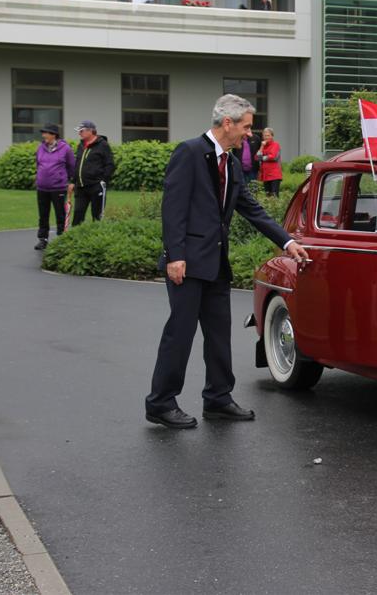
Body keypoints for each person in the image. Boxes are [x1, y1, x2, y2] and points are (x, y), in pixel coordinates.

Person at [145, 94, 308, 429]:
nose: (250, 133)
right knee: (181, 333)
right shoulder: (189, 153)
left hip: (216, 264)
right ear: (228, 123)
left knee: (219, 334)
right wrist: (175, 256)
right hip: (187, 264)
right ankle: (160, 403)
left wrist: (287, 241)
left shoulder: (232, 164)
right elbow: (173, 209)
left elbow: (250, 208)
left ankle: (218, 399)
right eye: (247, 126)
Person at [33, 123, 75, 250]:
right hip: (42, 188)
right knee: (43, 215)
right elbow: (38, 163)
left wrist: (70, 180)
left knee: (60, 214)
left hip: (58, 187)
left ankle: (62, 239)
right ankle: (43, 239)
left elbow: (71, 166)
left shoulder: (65, 149)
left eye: (46, 133)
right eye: (43, 133)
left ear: (54, 135)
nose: (43, 135)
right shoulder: (40, 148)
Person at [71, 120, 114, 225]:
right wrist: (73, 181)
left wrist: (103, 181)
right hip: (81, 187)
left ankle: (97, 239)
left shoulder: (103, 145)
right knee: (77, 215)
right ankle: (76, 240)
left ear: (90, 131)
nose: (79, 133)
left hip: (96, 186)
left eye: (81, 131)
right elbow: (77, 164)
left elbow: (110, 165)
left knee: (97, 216)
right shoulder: (81, 145)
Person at [257, 127, 282, 196]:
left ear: (272, 136)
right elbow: (257, 157)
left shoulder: (276, 145)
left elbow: (273, 157)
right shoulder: (263, 146)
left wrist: (262, 158)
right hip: (265, 175)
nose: (266, 137)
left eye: (268, 135)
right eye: (264, 135)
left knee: (274, 195)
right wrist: (262, 146)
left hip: (274, 175)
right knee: (267, 195)